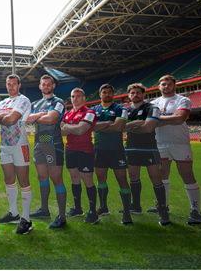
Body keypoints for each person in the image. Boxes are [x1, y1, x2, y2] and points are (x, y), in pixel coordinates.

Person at [152, 75, 201, 225]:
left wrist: (158, 120)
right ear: (159, 86)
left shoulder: (183, 100)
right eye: (163, 84)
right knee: (162, 176)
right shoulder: (154, 102)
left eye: (168, 84)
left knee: (187, 175)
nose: (165, 86)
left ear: (174, 85)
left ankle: (196, 211)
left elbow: (180, 118)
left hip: (180, 143)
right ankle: (163, 207)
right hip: (159, 143)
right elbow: (151, 121)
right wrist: (169, 118)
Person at [124, 83, 170, 226]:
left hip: (149, 148)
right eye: (132, 93)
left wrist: (129, 127)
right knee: (133, 177)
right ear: (129, 95)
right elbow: (120, 127)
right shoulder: (125, 110)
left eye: (138, 92)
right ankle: (136, 206)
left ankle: (163, 211)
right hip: (131, 148)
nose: (135, 95)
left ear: (144, 94)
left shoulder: (152, 108)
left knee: (155, 178)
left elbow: (148, 127)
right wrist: (137, 124)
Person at [26, 74, 68, 229]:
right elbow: (26, 118)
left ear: (53, 86)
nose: (46, 86)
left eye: (49, 84)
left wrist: (35, 117)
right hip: (39, 143)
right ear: (40, 86)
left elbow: (52, 119)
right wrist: (40, 115)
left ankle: (62, 217)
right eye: (43, 84)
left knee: (56, 178)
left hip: (53, 143)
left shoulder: (58, 102)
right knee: (42, 176)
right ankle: (44, 209)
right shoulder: (35, 103)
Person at [0, 74, 33, 235]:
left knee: (23, 180)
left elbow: (11, 120)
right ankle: (13, 213)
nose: (11, 87)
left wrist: (3, 117)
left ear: (19, 85)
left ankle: (26, 219)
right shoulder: (3, 102)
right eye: (8, 84)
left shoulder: (23, 100)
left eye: (13, 84)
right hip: (5, 145)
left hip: (19, 144)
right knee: (9, 179)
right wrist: (5, 117)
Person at [91, 84, 132, 224]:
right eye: (104, 92)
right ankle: (103, 207)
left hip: (116, 150)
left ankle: (127, 213)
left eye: (109, 92)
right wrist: (109, 124)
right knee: (101, 179)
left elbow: (119, 127)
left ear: (113, 94)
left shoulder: (122, 108)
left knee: (122, 180)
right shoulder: (93, 109)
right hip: (99, 149)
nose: (107, 94)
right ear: (100, 94)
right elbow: (89, 126)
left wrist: (99, 126)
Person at [61, 88, 99, 224]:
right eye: (73, 96)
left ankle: (93, 212)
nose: (75, 99)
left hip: (85, 150)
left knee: (87, 179)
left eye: (78, 96)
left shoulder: (90, 112)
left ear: (84, 98)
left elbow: (81, 129)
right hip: (70, 149)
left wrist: (69, 127)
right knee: (74, 178)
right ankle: (77, 208)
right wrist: (73, 128)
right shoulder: (68, 113)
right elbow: (62, 132)